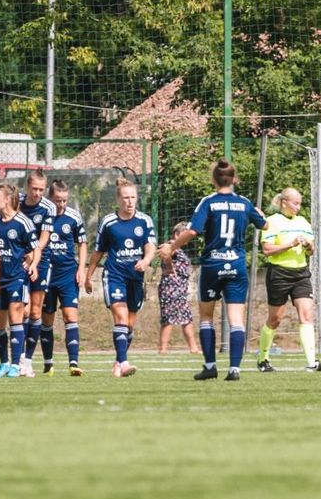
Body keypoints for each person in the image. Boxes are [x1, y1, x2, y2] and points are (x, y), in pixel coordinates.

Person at [160, 159, 267, 382]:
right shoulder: (244, 203)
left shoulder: (208, 202)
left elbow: (192, 231)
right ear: (234, 179)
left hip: (212, 266)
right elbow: (264, 224)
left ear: (214, 179)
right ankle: (234, 369)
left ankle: (210, 366)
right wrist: (259, 213)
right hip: (236, 265)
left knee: (206, 317)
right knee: (236, 318)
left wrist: (171, 246)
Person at [85, 178, 156, 378]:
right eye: (126, 198)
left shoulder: (144, 220)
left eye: (133, 197)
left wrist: (147, 260)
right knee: (121, 317)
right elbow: (98, 251)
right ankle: (124, 363)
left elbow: (150, 246)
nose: (130, 202)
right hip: (114, 275)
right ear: (118, 199)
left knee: (129, 325)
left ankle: (118, 360)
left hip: (135, 278)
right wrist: (89, 276)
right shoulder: (109, 222)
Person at [255, 188, 321, 372]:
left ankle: (312, 362)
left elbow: (311, 251)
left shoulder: (303, 222)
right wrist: (291, 244)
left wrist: (309, 246)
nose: (298, 207)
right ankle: (263, 359)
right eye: (295, 203)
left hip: (301, 274)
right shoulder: (271, 222)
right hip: (279, 274)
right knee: (275, 319)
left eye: (300, 203)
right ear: (283, 203)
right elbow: (267, 250)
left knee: (306, 315)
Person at [0, 182, 39, 378]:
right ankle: (3, 363)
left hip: (16, 278)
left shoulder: (23, 222)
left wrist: (33, 264)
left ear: (7, 200)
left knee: (15, 318)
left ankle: (17, 364)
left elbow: (35, 248)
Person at [40, 179, 87, 376]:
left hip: (68, 274)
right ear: (50, 198)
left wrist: (81, 269)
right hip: (46, 274)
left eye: (64, 201)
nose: (61, 205)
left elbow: (82, 243)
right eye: (58, 200)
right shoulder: (42, 216)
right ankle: (48, 364)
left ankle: (73, 363)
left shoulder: (73, 217)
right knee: (47, 319)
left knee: (70, 316)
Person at [18, 169, 56, 377]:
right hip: (18, 261)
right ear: (27, 186)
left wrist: (33, 257)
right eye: (34, 189)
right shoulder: (18, 203)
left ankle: (28, 359)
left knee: (34, 312)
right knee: (21, 311)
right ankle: (18, 356)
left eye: (41, 190)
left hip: (41, 261)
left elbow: (44, 237)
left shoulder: (48, 207)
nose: (37, 193)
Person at [158, 222, 200, 355]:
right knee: (169, 318)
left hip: (180, 288)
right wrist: (170, 266)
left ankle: (193, 348)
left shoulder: (178, 248)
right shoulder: (171, 245)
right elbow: (166, 254)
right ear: (177, 234)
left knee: (186, 318)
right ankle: (163, 349)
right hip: (171, 286)